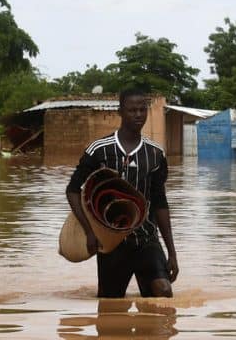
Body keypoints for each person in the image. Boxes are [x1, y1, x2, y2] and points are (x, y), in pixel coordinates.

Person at [65, 88, 178, 298]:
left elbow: (160, 202)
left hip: (146, 240)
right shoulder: (99, 150)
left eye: (142, 110)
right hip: (111, 244)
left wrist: (172, 252)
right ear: (120, 112)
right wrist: (89, 231)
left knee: (163, 291)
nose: (138, 115)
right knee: (109, 306)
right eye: (132, 110)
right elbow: (72, 190)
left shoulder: (155, 154)